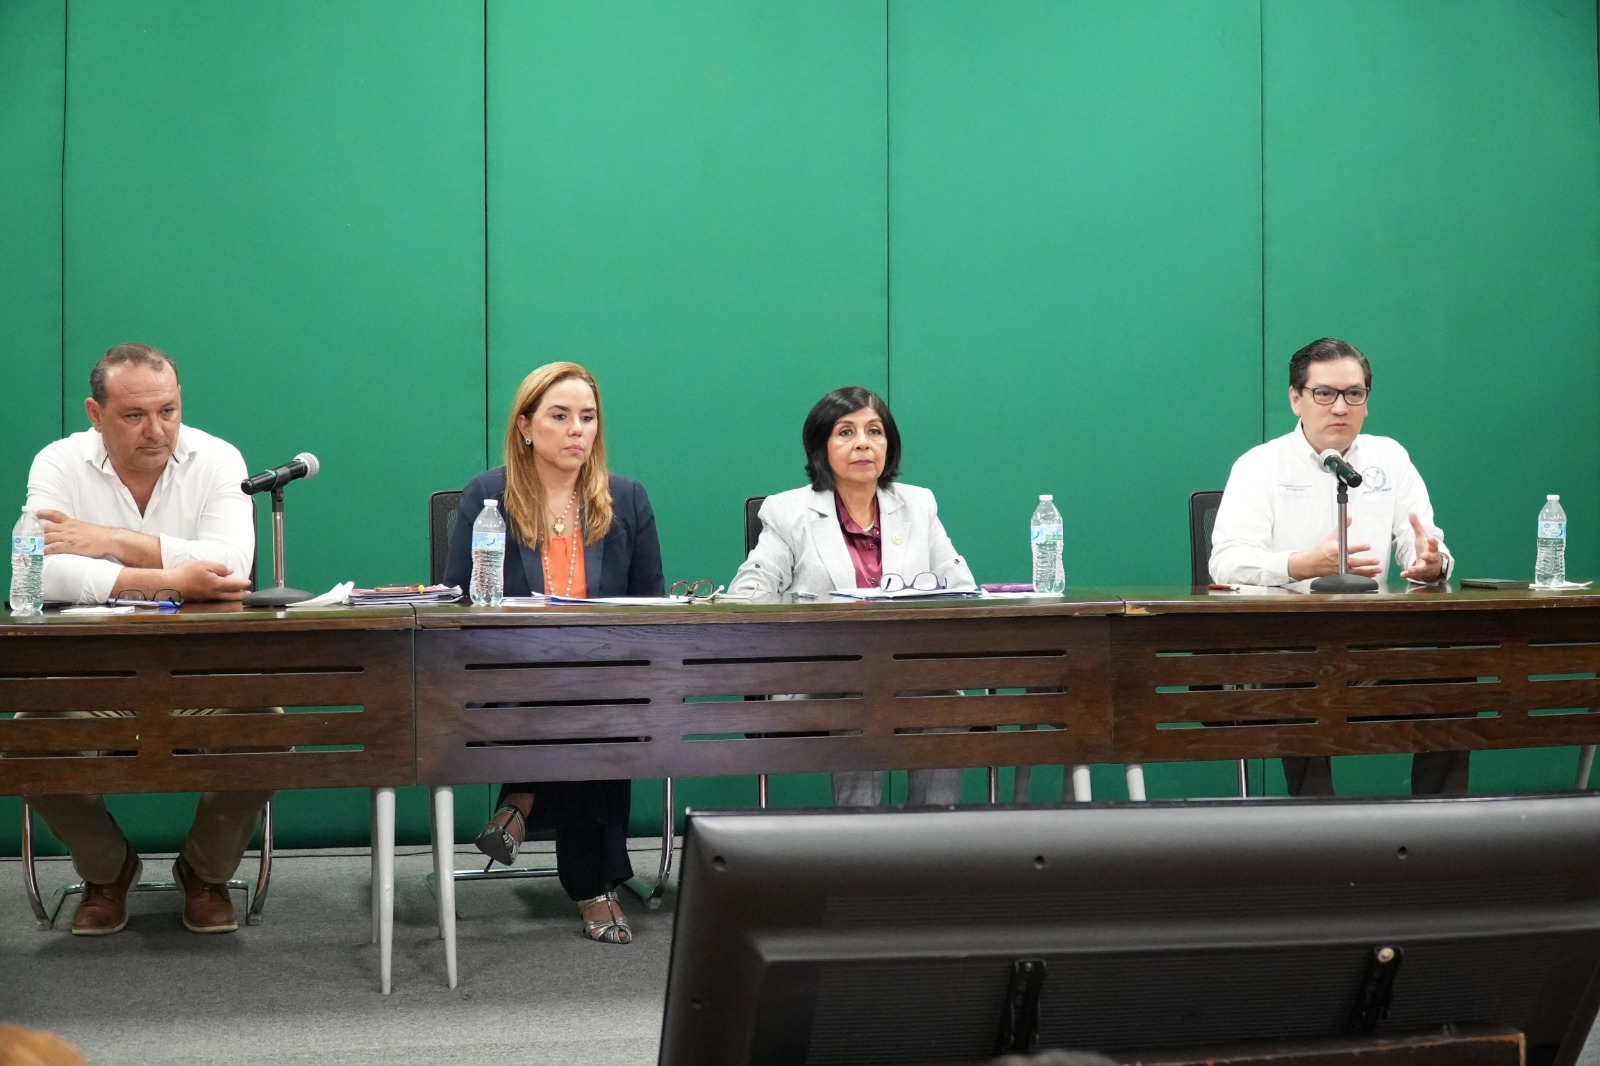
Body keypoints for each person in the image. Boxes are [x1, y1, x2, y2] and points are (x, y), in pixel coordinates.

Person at [21, 342, 263, 935]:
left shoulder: (218, 459)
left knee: (267, 726)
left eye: (168, 411)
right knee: (25, 739)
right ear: (95, 413)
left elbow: (230, 566)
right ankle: (107, 871)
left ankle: (205, 874)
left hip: (202, 679)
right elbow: (37, 573)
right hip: (93, 680)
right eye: (134, 415)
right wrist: (173, 580)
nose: (157, 431)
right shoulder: (58, 463)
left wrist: (108, 541)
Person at [444, 361, 663, 944]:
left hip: (604, 677)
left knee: (599, 704)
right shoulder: (488, 497)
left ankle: (522, 800)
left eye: (588, 418)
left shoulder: (626, 499)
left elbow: (652, 605)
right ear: (525, 426)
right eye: (560, 416)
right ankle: (594, 888)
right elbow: (457, 599)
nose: (577, 430)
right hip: (507, 678)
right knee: (589, 714)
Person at [1209, 337, 1466, 797]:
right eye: (1324, 393)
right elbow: (1226, 563)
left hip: (1368, 648)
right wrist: (1300, 564)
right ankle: (1319, 830)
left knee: (1454, 679)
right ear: (1296, 399)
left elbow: (1423, 542)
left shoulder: (1390, 458)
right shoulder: (1260, 466)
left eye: (1354, 393)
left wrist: (1431, 564)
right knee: (1304, 686)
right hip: (1281, 652)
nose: (1341, 407)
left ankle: (1441, 827)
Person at [730, 385, 977, 807]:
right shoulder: (788, 512)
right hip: (820, 677)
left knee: (946, 707)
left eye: (874, 431)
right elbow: (748, 593)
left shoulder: (918, 505)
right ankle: (859, 841)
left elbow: (962, 588)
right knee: (864, 703)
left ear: (888, 444)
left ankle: (934, 837)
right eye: (846, 432)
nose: (863, 443)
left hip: (905, 673)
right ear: (821, 447)